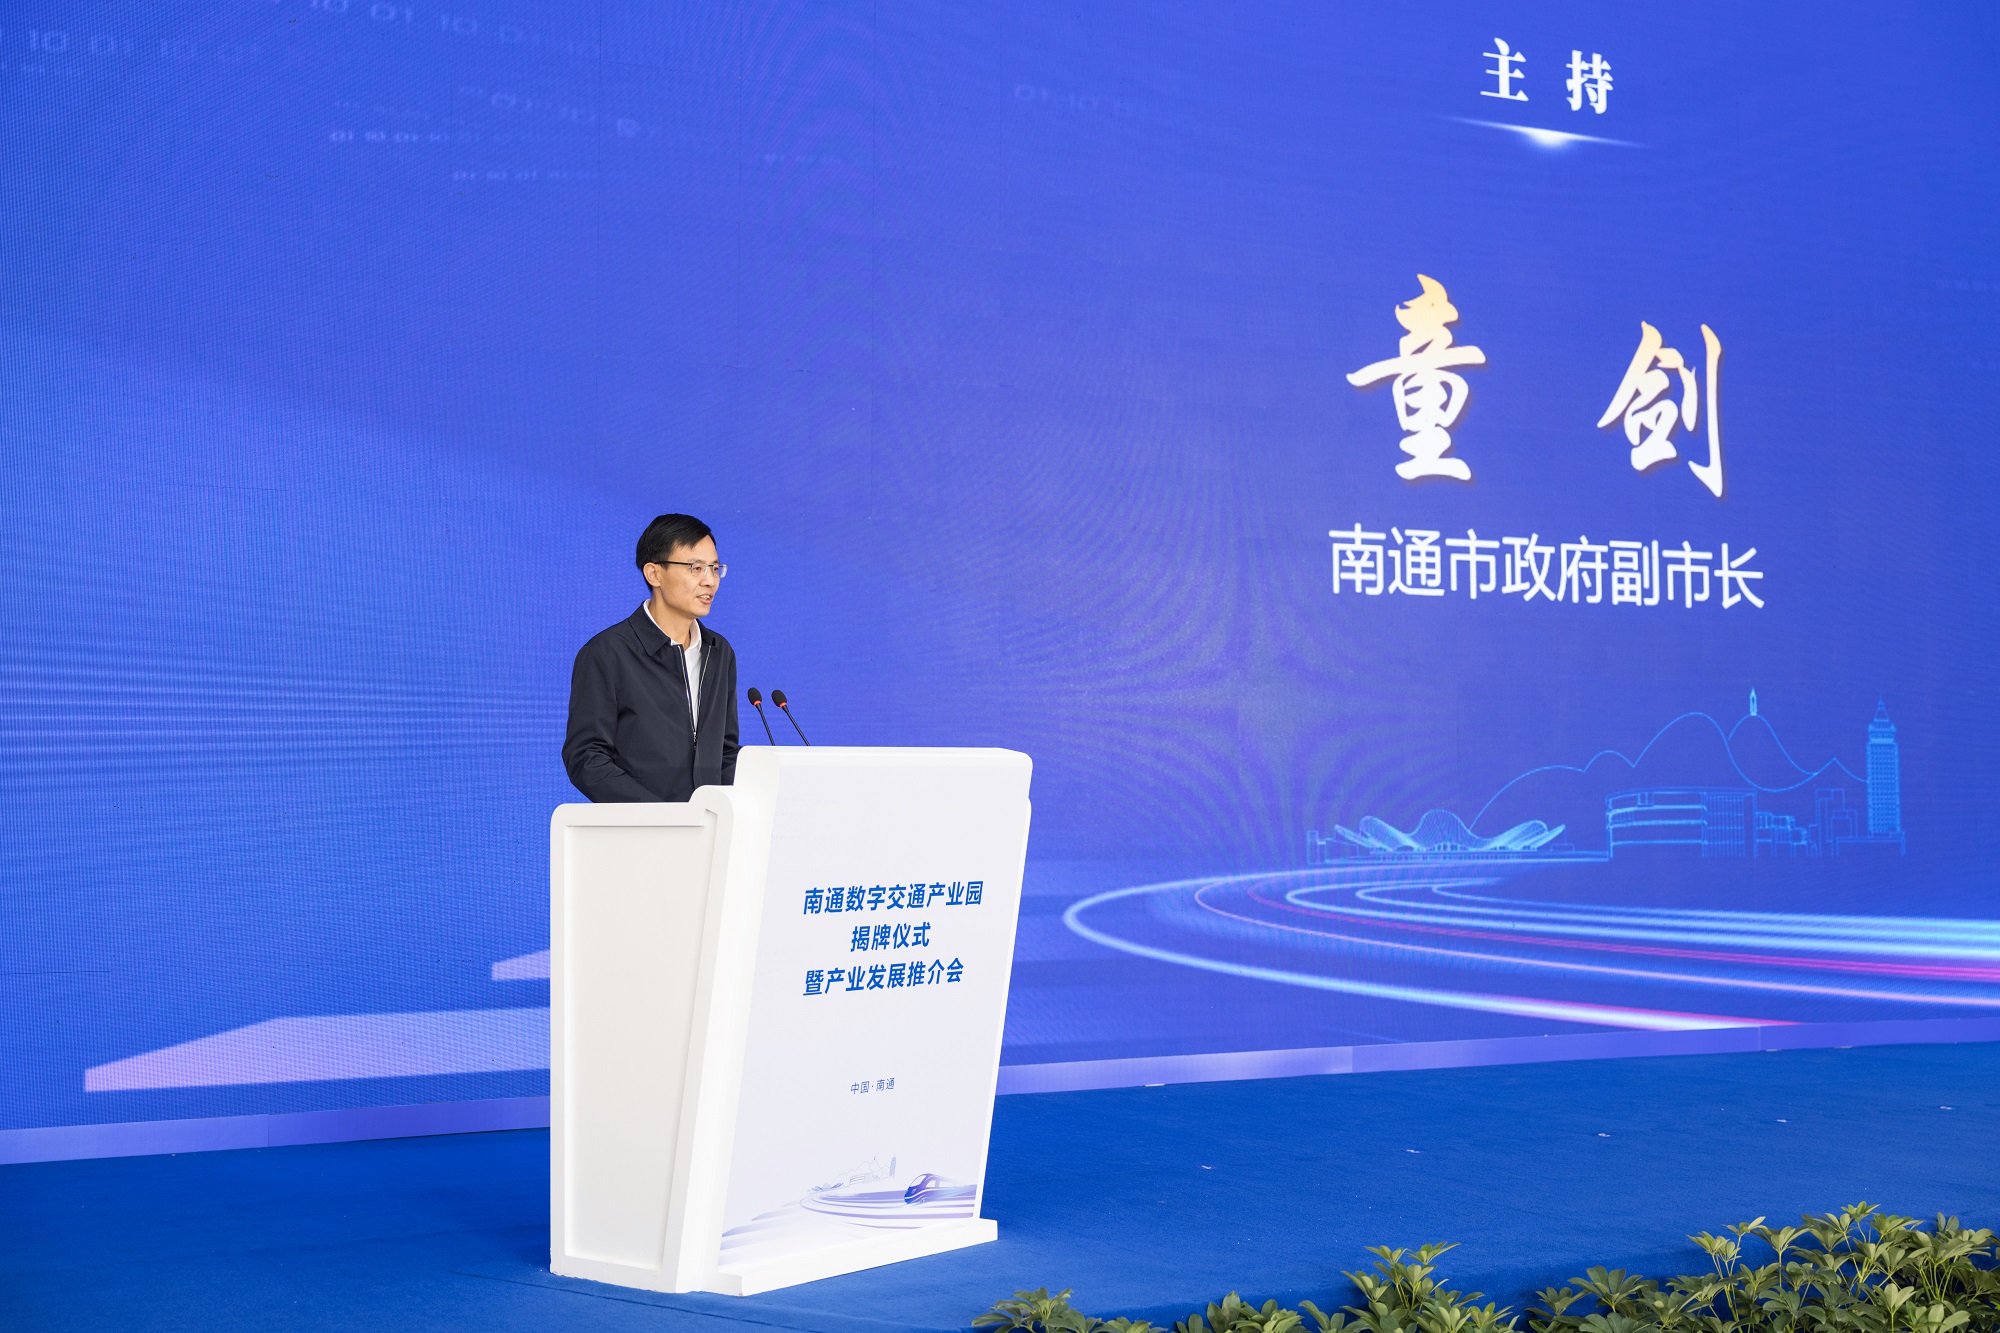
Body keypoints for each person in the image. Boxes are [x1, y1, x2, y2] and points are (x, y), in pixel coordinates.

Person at [563, 513, 740, 802]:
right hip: (643, 826)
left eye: (715, 568)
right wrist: (659, 816)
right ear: (654, 574)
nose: (710, 581)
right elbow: (586, 758)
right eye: (696, 568)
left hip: (707, 825)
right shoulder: (607, 653)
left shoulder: (718, 651)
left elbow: (725, 750)